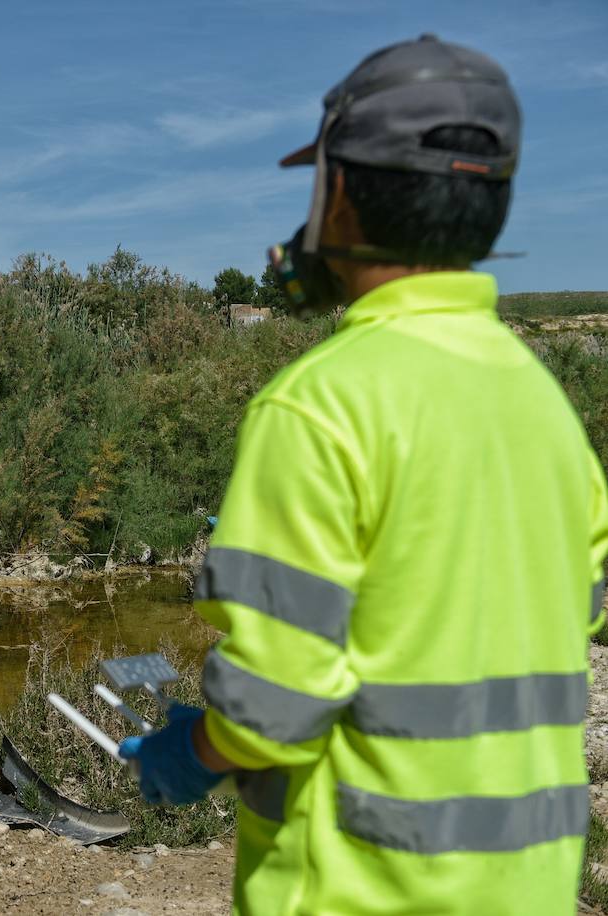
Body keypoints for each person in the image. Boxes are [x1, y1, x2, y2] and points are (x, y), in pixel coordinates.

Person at [118, 35, 608, 914]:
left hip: (362, 888)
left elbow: (274, 701)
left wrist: (191, 753)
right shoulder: (546, 407)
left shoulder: (316, 406)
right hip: (527, 886)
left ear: (337, 192)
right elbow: (565, 613)